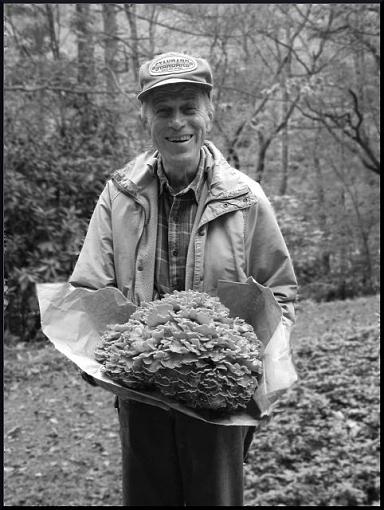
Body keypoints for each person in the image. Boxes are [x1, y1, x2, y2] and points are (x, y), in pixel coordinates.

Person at [70, 51, 298, 506]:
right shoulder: (120, 194)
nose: (178, 122)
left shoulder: (245, 198)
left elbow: (280, 293)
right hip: (142, 390)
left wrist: (258, 370)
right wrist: (96, 359)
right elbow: (90, 287)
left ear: (208, 112)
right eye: (164, 110)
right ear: (146, 117)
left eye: (189, 108)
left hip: (221, 400)